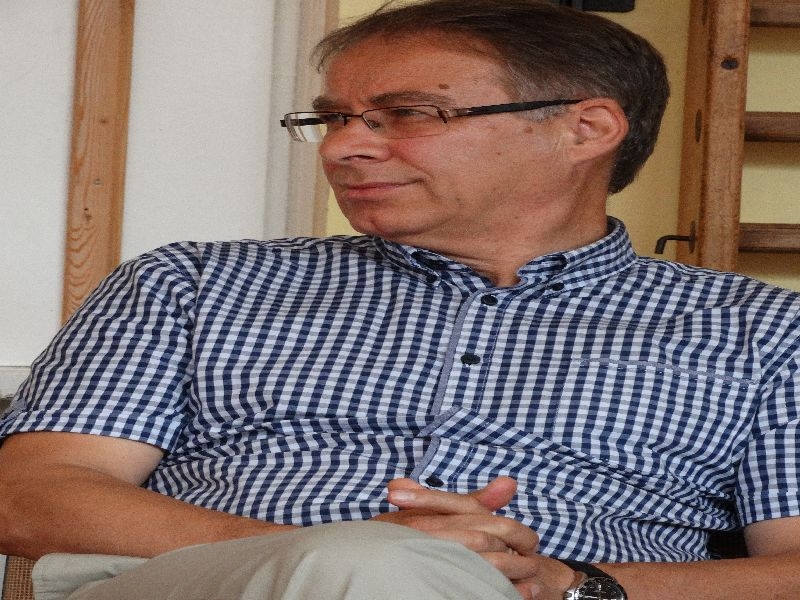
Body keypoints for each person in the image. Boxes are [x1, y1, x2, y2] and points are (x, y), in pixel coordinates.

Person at [1, 1, 799, 598]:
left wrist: (578, 585)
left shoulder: (764, 331)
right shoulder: (191, 282)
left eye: (409, 114)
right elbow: (29, 495)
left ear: (586, 129)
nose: (345, 147)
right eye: (333, 119)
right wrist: (335, 554)